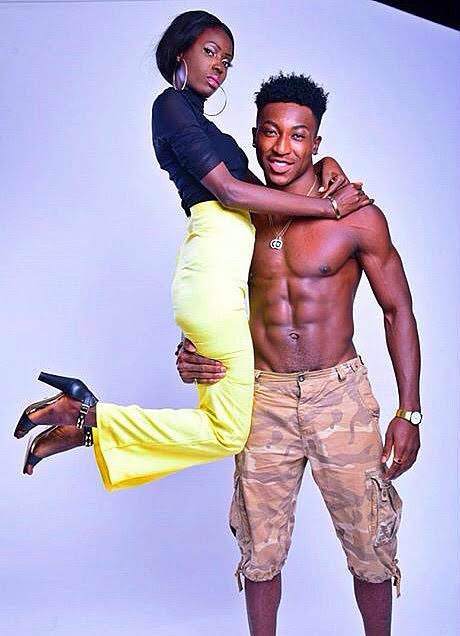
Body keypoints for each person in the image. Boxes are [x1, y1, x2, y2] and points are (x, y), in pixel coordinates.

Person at [14, 11, 369, 489]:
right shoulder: (169, 106)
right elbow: (231, 192)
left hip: (218, 281)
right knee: (229, 433)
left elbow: (267, 193)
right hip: (213, 272)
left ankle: (88, 423)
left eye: (227, 60)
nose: (219, 65)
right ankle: (87, 416)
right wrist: (329, 208)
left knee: (225, 428)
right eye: (210, 51)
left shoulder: (204, 126)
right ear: (181, 50)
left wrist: (324, 162)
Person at [176, 72, 421, 636]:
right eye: (270, 132)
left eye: (298, 136)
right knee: (259, 551)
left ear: (316, 142)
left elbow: (398, 311)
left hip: (339, 396)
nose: (282, 147)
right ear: (254, 136)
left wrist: (409, 411)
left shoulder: (356, 214)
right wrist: (191, 350)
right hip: (261, 397)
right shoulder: (236, 216)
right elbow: (208, 300)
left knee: (370, 545)